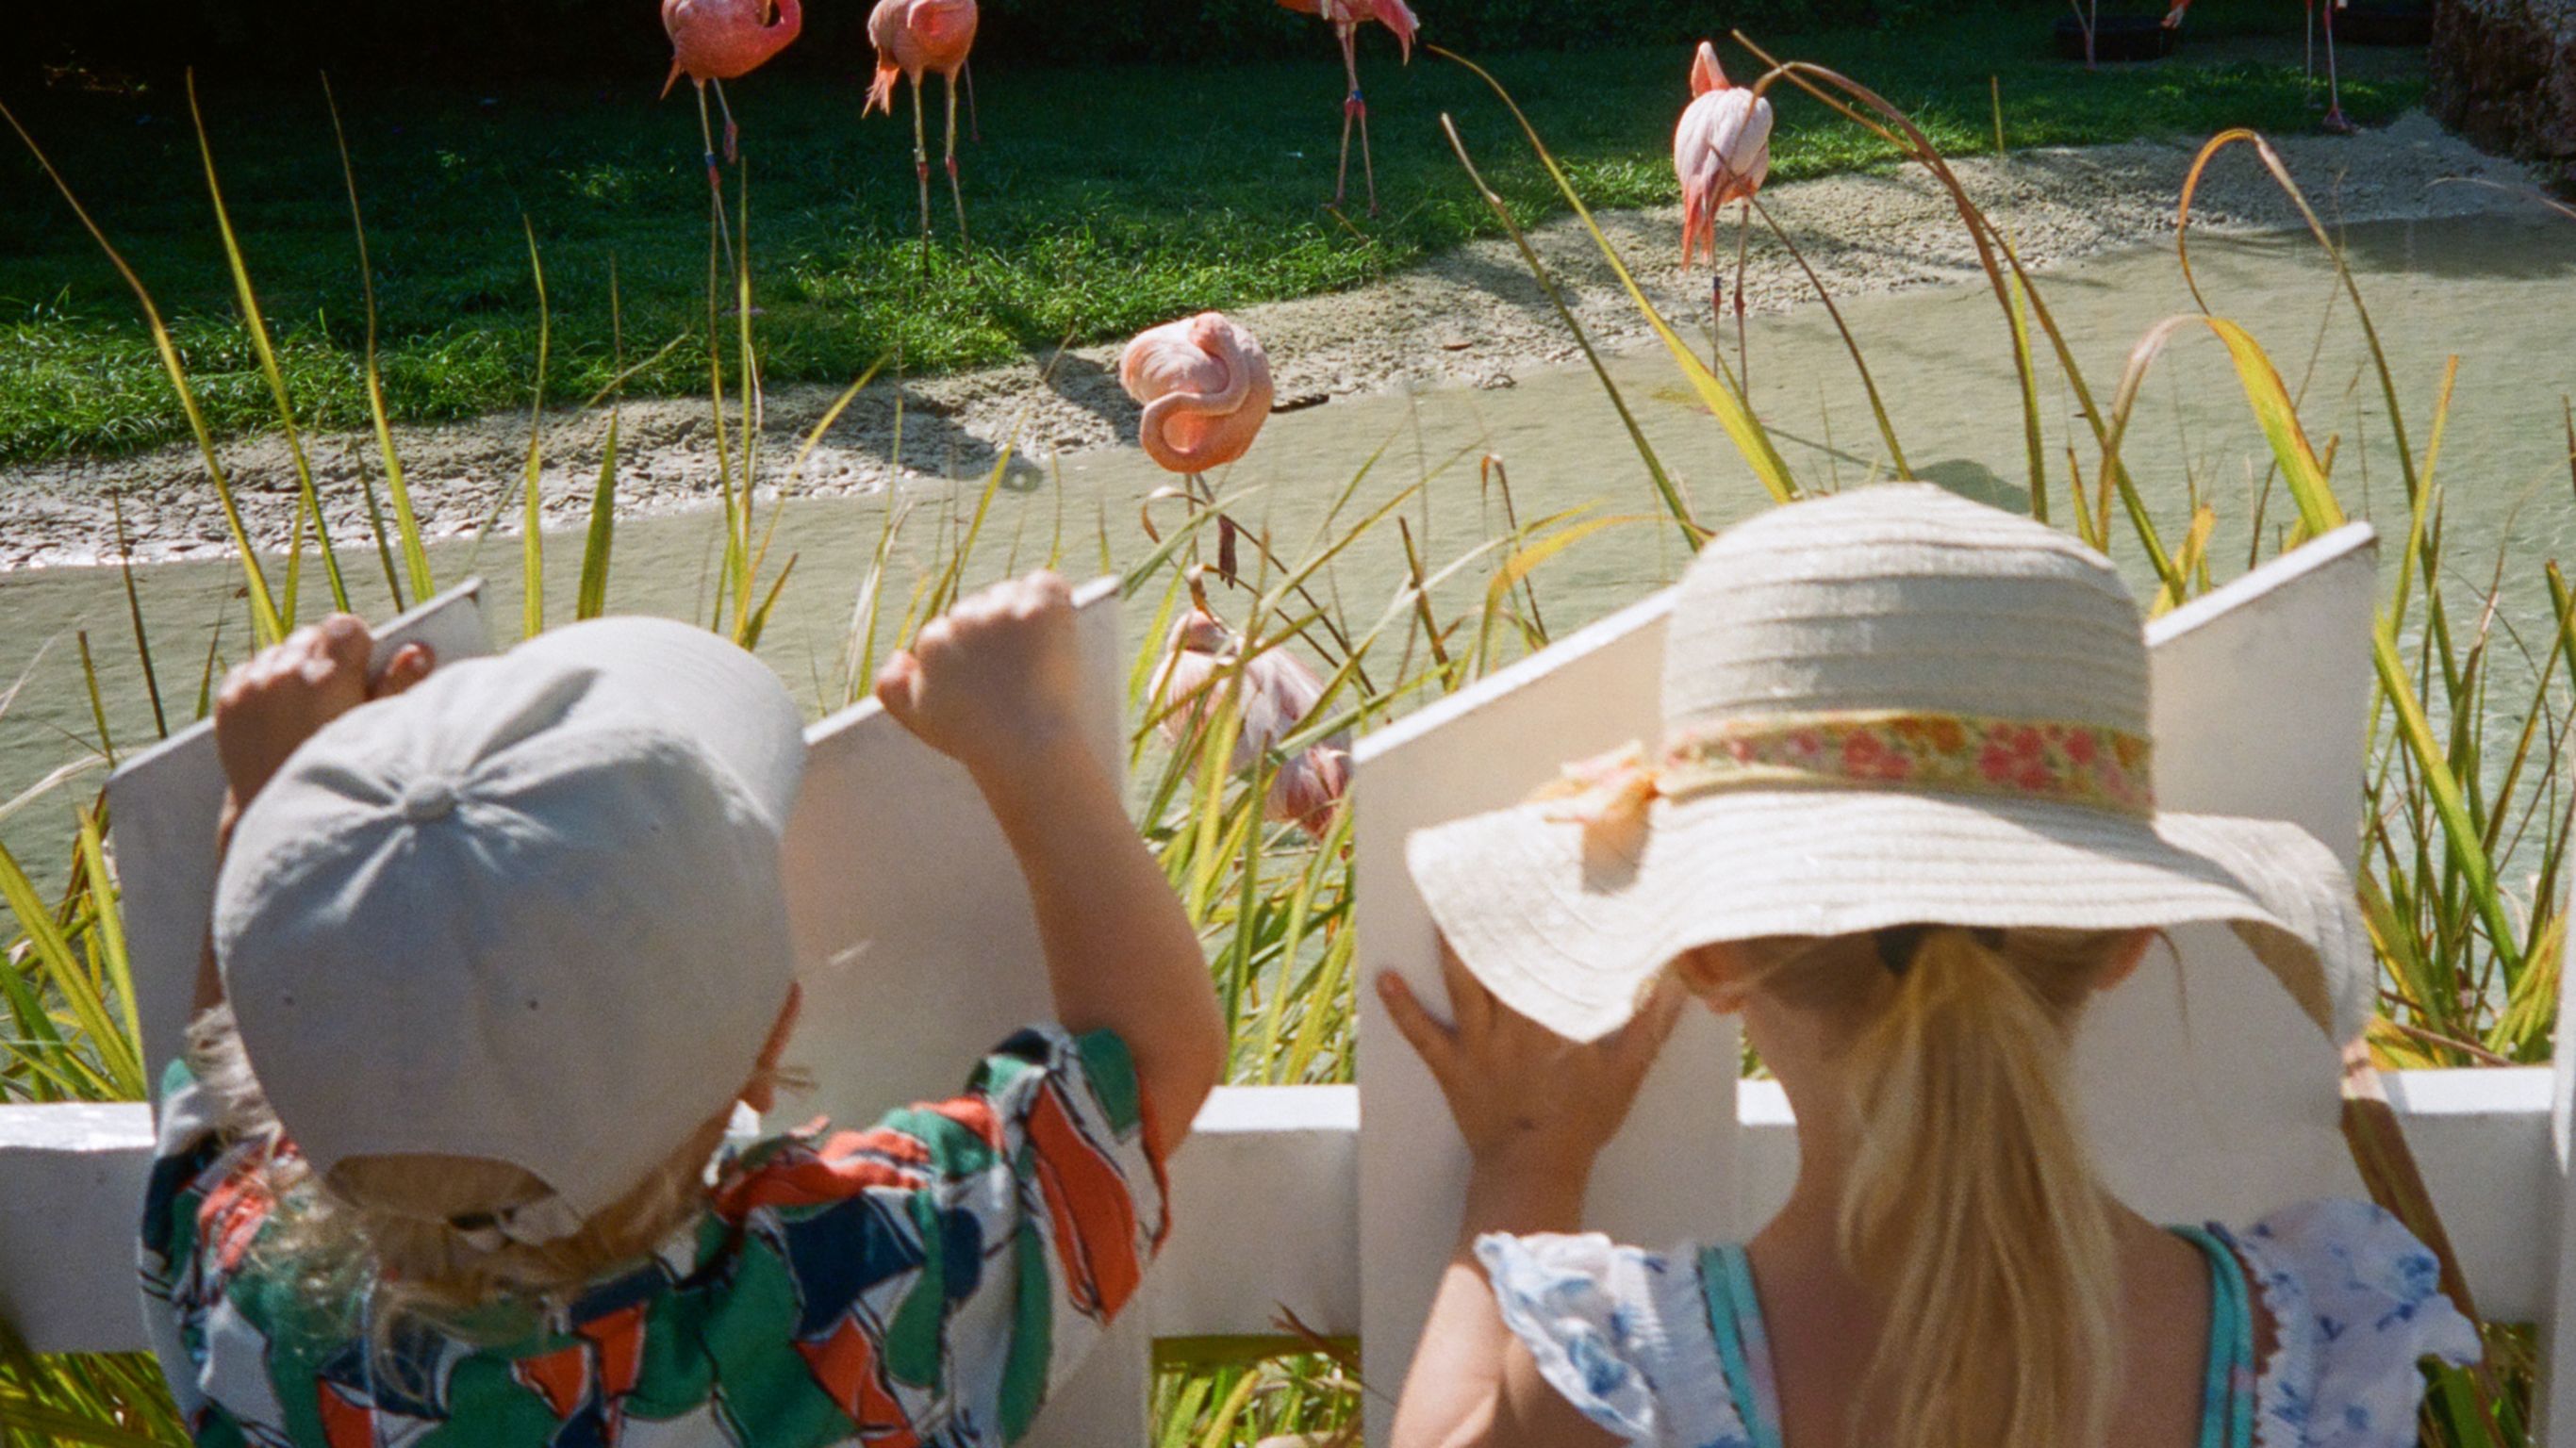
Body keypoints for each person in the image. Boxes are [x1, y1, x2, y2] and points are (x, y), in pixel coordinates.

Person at [1378, 485, 2482, 1448]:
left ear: (1704, 953)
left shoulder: (1629, 1370)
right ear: (2123, 940)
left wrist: (1528, 1161)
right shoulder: (2311, 1343)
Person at [140, 572, 1225, 1446]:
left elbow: (222, 1097)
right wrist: (1031, 744)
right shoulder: (848, 1296)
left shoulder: (253, 1308)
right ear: (766, 1046)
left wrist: (268, 811)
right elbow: (1147, 1064)